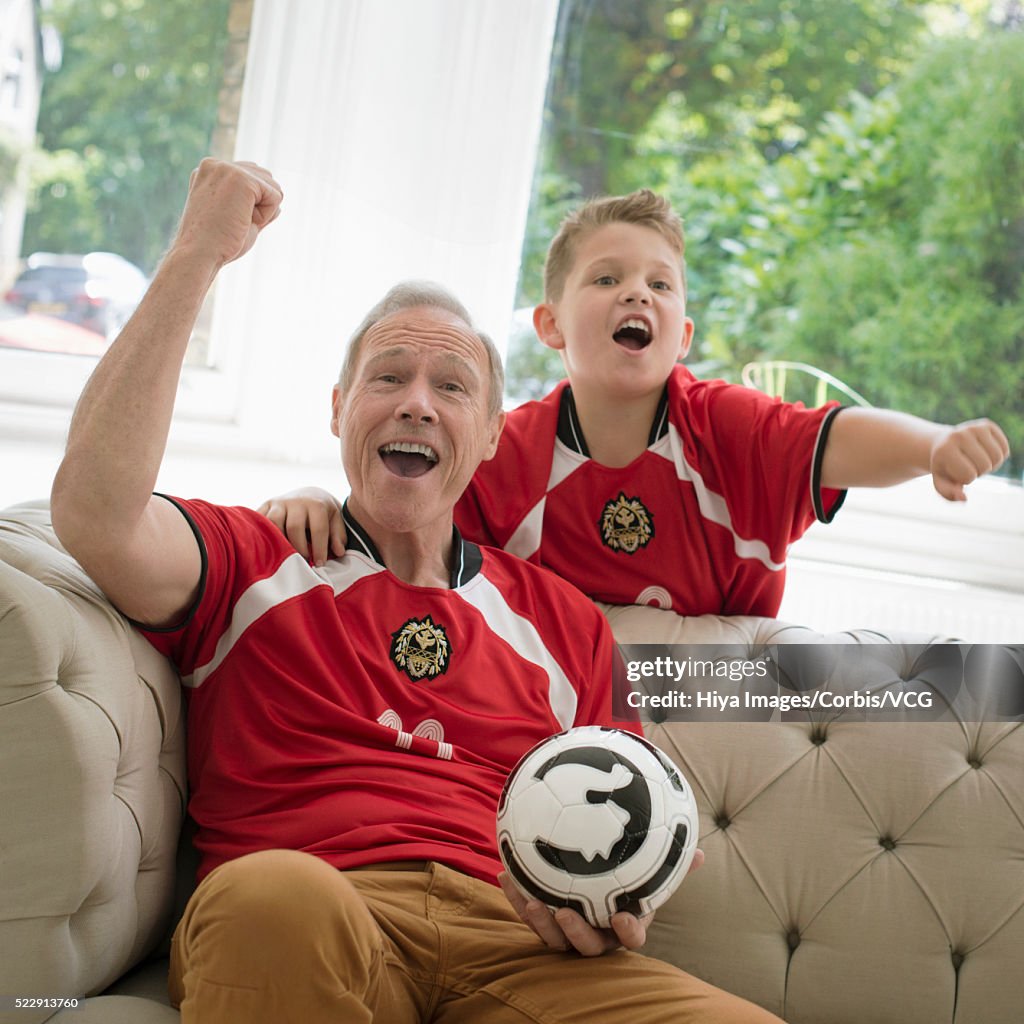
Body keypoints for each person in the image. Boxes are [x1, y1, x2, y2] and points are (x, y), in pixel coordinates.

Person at [49, 158, 783, 1024]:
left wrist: (617, 896)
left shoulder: (564, 622)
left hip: (518, 943)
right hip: (316, 913)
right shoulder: (254, 556)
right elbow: (95, 514)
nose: (417, 406)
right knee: (272, 899)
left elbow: (621, 817)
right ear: (338, 409)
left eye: (452, 387)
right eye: (388, 378)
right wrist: (196, 256)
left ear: (490, 436)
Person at [260, 189, 1010, 618]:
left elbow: (838, 438)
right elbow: (404, 514)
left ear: (681, 335)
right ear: (550, 325)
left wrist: (932, 445)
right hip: (548, 697)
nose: (635, 293)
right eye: (606, 278)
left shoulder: (723, 426)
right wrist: (311, 497)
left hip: (710, 698)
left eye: (659, 283)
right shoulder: (503, 450)